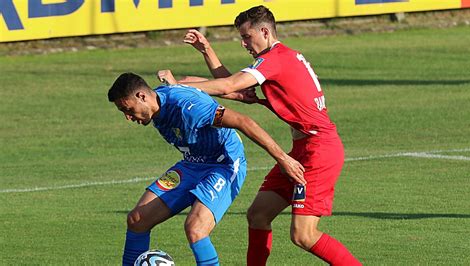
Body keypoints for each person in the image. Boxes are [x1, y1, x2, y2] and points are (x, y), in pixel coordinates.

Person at [157, 5, 361, 266]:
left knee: (303, 235)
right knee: (258, 214)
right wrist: (206, 51)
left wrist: (177, 86)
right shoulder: (278, 59)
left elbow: (229, 86)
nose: (244, 44)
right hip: (303, 149)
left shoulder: (274, 60)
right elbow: (232, 87)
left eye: (246, 37)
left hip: (319, 151)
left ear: (264, 31)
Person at [107, 72, 305, 266]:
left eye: (128, 109)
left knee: (195, 228)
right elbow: (190, 84)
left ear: (141, 96)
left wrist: (283, 159)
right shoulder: (160, 99)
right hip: (192, 163)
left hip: (224, 164)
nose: (128, 117)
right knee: (137, 220)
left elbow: (243, 121)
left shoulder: (188, 107)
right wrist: (234, 94)